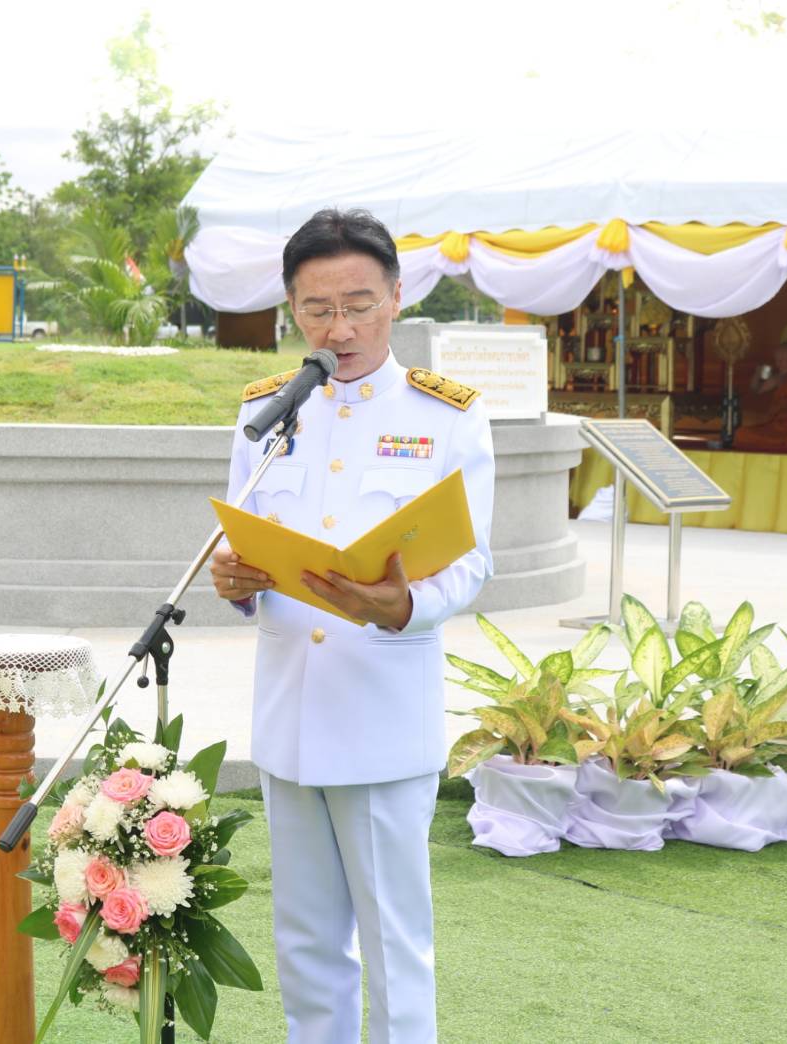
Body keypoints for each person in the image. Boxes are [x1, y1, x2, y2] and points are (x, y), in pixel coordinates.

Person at [209, 208, 495, 1043]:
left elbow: (472, 563)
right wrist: (235, 582)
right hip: (291, 717)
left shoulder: (446, 417)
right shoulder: (266, 413)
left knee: (394, 945)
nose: (341, 328)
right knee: (304, 942)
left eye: (359, 305)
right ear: (291, 309)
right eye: (318, 309)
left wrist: (403, 605)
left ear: (397, 298)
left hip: (381, 713)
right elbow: (244, 547)